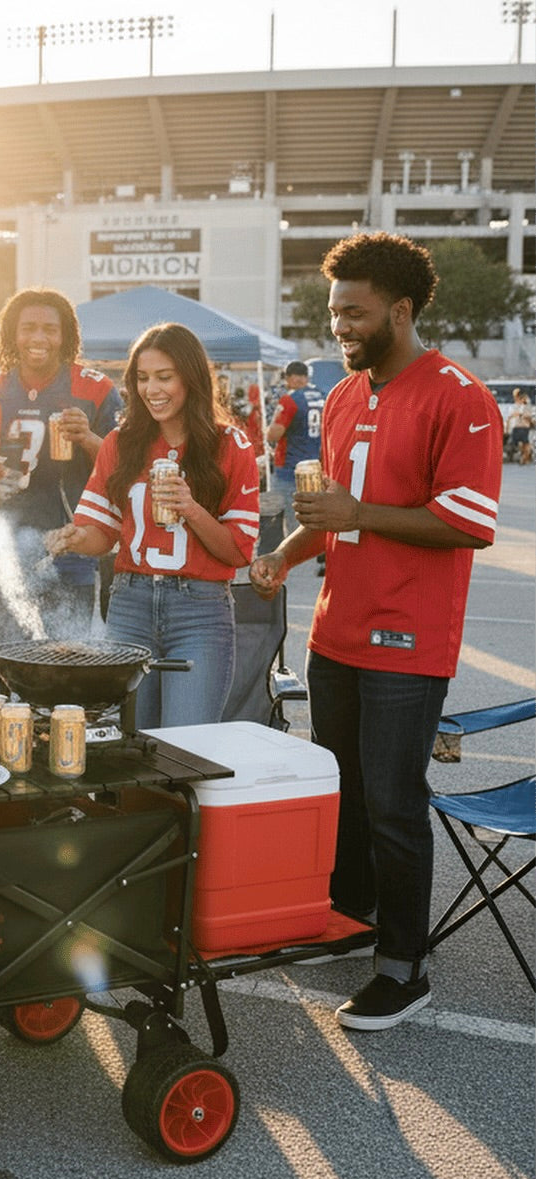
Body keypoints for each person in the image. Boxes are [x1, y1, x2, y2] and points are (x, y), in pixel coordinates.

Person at [249, 231, 503, 1031]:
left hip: (406, 635)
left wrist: (355, 514)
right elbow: (332, 518)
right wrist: (283, 554)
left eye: (353, 314)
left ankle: (403, 965)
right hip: (337, 631)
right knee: (348, 791)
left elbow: (467, 522)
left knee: (394, 801)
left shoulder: (459, 394)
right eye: (332, 314)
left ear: (400, 308)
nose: (339, 328)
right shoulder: (345, 395)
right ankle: (351, 913)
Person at [47, 322, 259, 728]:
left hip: (199, 609)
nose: (152, 390)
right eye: (142, 378)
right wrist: (76, 538)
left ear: (191, 378)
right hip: (130, 604)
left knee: (187, 747)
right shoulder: (119, 442)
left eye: (165, 377)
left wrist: (191, 508)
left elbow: (239, 551)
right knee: (130, 747)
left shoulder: (231, 445)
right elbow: (102, 533)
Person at [0, 288, 122, 647]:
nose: (38, 338)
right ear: (13, 332)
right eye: (28, 328)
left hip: (70, 545)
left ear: (65, 336)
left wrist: (89, 439)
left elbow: (128, 469)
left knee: (67, 659)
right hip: (6, 545)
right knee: (9, 657)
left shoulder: (96, 389)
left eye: (49, 328)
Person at [266, 360, 327, 540]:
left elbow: (273, 435)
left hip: (290, 468)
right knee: (314, 518)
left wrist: (267, 430)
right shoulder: (323, 396)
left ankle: (291, 559)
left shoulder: (290, 399)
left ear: (291, 378)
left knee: (286, 522)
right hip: (317, 465)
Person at [506, 388, 532, 464]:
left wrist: (519, 415)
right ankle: (524, 457)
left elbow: (526, 416)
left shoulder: (525, 405)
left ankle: (525, 457)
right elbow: (510, 417)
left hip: (523, 426)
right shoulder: (515, 405)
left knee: (524, 443)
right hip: (517, 426)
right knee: (520, 443)